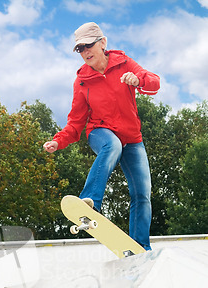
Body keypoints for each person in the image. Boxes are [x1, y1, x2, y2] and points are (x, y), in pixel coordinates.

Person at [43, 22, 160, 250]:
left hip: (132, 139)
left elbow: (154, 82)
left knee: (142, 193)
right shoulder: (82, 81)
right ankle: (90, 201)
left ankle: (140, 247)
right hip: (100, 133)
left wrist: (139, 80)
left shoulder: (124, 64)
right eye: (80, 49)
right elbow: (76, 122)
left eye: (89, 46)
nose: (85, 52)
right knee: (112, 145)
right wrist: (59, 140)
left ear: (102, 43)